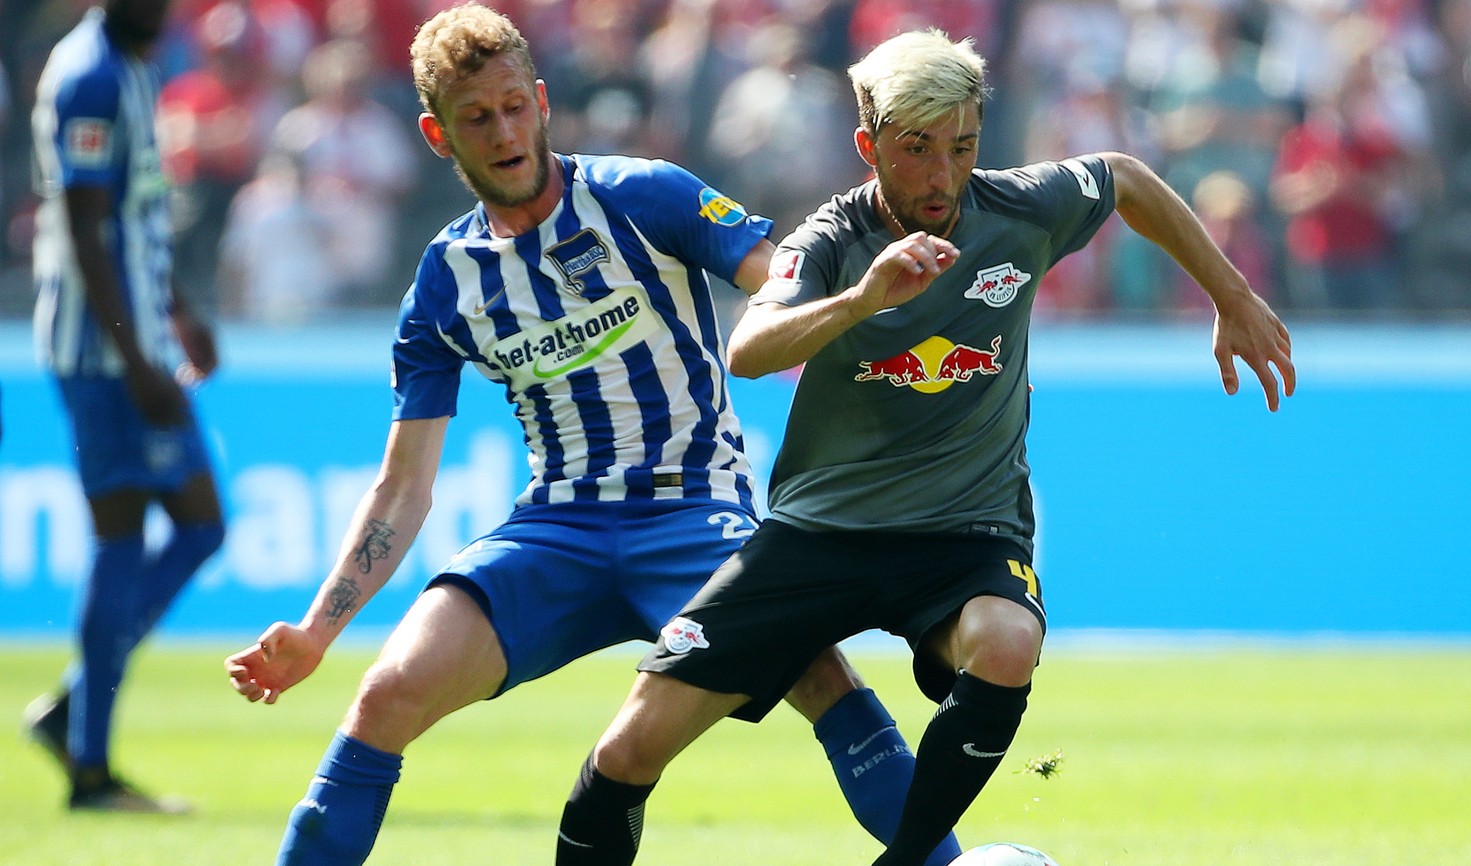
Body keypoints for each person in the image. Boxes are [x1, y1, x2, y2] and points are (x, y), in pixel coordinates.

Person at [221, 6, 958, 865]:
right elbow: (403, 486)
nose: (503, 132)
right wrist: (316, 631)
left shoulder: (643, 194)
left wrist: (868, 312)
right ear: (436, 134)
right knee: (385, 695)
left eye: (512, 106)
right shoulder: (444, 280)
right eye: (475, 118)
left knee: (822, 676)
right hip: (556, 529)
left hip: (694, 511)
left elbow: (782, 292)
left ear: (540, 99)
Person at [555, 28, 1296, 866]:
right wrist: (864, 300)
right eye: (918, 149)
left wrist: (1230, 295)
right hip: (821, 537)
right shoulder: (828, 242)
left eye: (963, 145)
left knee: (1008, 642)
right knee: (625, 754)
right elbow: (750, 350)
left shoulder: (1019, 207)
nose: (944, 174)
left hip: (964, 535)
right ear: (869, 146)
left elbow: (1123, 177)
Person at [24, 0, 227, 813]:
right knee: (125, 534)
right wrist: (135, 355)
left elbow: (134, 217)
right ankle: (90, 769)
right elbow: (83, 223)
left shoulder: (138, 65)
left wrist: (177, 308)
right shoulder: (92, 77)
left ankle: (79, 708)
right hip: (102, 354)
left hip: (134, 337)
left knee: (199, 523)